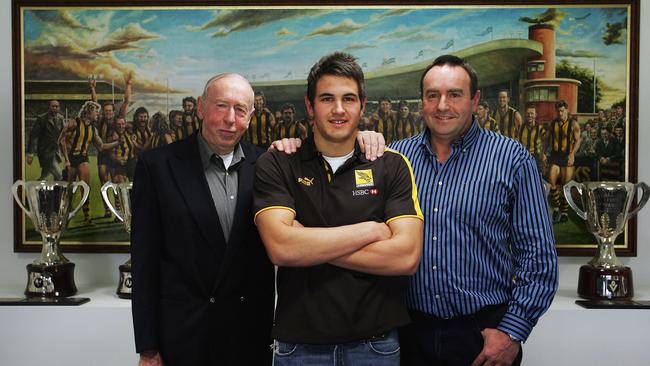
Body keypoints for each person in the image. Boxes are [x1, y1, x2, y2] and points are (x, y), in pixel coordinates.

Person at [254, 52, 424, 366]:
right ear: (309, 106)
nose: (338, 109)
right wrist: (369, 231)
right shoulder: (278, 162)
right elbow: (281, 249)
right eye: (327, 98)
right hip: (299, 347)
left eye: (348, 98)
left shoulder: (391, 165)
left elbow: (406, 257)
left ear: (362, 104)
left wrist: (307, 244)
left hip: (376, 346)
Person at [388, 55, 557, 366]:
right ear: (421, 101)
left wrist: (512, 331)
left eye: (454, 94)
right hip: (408, 334)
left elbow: (538, 258)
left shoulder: (512, 159)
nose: (442, 105)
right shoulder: (396, 158)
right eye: (432, 95)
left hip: (482, 336)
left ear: (475, 99)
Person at [130, 73, 276, 366]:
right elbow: (144, 262)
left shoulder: (267, 164)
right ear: (200, 108)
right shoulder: (157, 167)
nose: (230, 119)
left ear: (251, 116)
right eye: (221, 106)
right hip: (184, 337)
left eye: (240, 109)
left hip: (249, 336)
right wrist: (148, 348)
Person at [58, 101, 120, 225]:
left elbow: (101, 146)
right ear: (89, 112)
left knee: (85, 188)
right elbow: (61, 140)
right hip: (71, 158)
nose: (98, 114)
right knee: (69, 189)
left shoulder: (93, 128)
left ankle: (87, 217)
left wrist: (118, 142)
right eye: (96, 111)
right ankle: (64, 217)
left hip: (83, 158)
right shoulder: (74, 123)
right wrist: (66, 160)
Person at [547, 100, 581, 223]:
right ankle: (556, 208)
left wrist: (572, 154)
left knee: (566, 186)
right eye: (558, 111)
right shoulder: (553, 123)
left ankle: (564, 212)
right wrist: (543, 153)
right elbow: (547, 139)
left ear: (567, 110)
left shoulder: (573, 124)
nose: (560, 113)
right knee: (552, 184)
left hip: (567, 156)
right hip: (555, 156)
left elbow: (578, 140)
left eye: (562, 110)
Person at [26, 100, 65, 180]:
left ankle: (40, 190)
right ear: (49, 107)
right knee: (59, 176)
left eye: (56, 106)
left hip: (55, 151)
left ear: (59, 108)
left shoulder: (60, 118)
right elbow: (33, 136)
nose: (55, 108)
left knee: (45, 176)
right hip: (45, 152)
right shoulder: (41, 119)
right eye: (53, 106)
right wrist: (30, 153)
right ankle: (56, 191)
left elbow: (63, 134)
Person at [519, 104, 547, 177]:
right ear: (525, 114)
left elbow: (546, 142)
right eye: (528, 113)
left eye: (532, 113)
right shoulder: (520, 128)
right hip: (523, 156)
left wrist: (543, 153)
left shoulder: (540, 129)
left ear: (535, 115)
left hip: (535, 157)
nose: (530, 115)